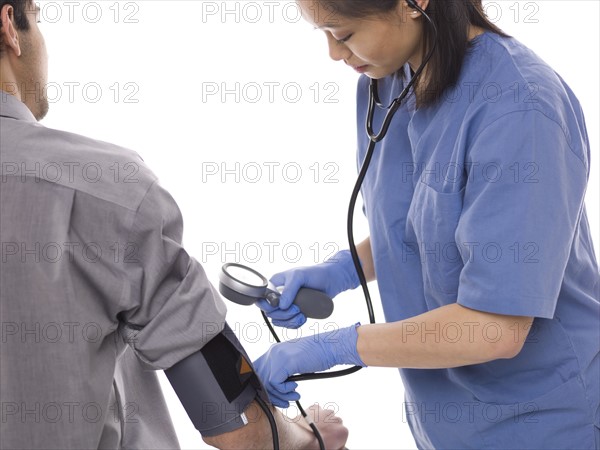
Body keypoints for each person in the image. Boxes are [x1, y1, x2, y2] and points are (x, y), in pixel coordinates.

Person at [0, 1, 349, 449]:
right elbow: (241, 430)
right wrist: (306, 436)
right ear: (9, 25)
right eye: (39, 16)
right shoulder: (104, 186)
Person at [253, 1, 600, 448]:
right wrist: (341, 271)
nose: (334, 55)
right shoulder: (386, 82)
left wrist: (333, 347)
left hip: (545, 422)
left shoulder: (522, 109)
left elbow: (495, 328)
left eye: (342, 35)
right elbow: (424, 223)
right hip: (445, 423)